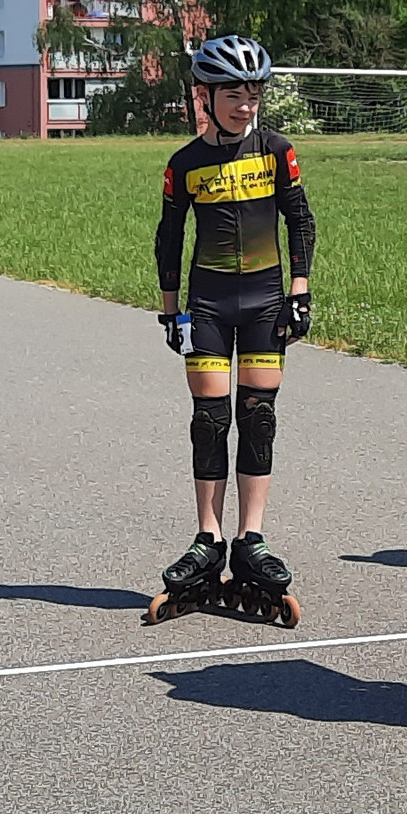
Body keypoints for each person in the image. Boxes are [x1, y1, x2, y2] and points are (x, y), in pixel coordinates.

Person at [142, 35, 317, 628]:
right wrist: (171, 311)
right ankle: (208, 538)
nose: (245, 106)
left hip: (266, 303)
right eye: (233, 95)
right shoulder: (185, 163)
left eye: (253, 95)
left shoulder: (277, 151)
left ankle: (251, 539)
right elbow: (169, 238)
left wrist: (299, 290)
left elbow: (300, 221)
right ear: (206, 97)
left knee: (259, 418)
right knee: (210, 421)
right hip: (208, 307)